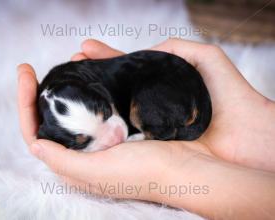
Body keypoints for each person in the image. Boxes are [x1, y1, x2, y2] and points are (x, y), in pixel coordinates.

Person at [17, 38, 275, 219]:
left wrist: (162, 177)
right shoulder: (83, 91)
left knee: (148, 101)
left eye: (106, 114)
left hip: (171, 87)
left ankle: (160, 131)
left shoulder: (93, 83)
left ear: (100, 91)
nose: (114, 135)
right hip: (172, 96)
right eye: (85, 141)